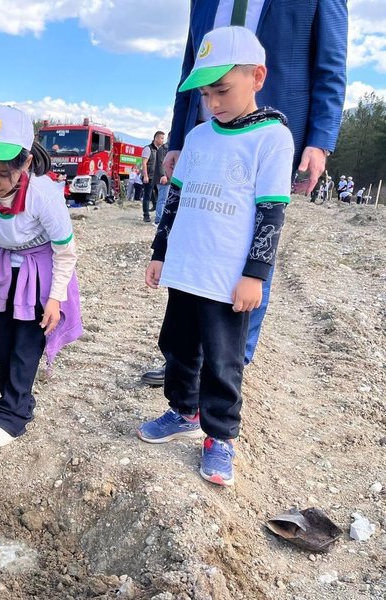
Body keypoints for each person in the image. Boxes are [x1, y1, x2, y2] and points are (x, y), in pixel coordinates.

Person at [141, 0, 347, 385]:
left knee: (246, 242)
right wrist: (177, 138)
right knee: (199, 234)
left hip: (263, 136)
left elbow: (331, 62)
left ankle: (230, 365)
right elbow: (191, 68)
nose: (213, 96)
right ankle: (186, 366)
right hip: (203, 139)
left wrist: (319, 140)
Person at [140, 27, 294, 486]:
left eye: (222, 90)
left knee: (224, 360)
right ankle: (183, 411)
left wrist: (255, 276)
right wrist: (160, 252)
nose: (214, 103)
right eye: (207, 94)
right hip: (186, 268)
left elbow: (271, 213)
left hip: (227, 278)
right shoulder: (199, 137)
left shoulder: (272, 138)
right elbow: (176, 199)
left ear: (258, 76)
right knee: (178, 346)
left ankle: (220, 435)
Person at [0, 105, 83, 447]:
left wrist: (55, 299)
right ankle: (15, 404)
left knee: (27, 345)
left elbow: (65, 251)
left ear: (25, 163)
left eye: (3, 174)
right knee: (3, 338)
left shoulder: (43, 194)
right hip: (7, 270)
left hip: (40, 277)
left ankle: (11, 419)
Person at [140, 131, 167, 223]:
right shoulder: (148, 149)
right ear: (156, 138)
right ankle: (146, 215)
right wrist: (145, 176)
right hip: (149, 176)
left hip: (157, 177)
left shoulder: (161, 150)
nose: (163, 140)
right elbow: (144, 163)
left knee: (158, 196)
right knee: (147, 196)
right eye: (162, 138)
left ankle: (156, 208)